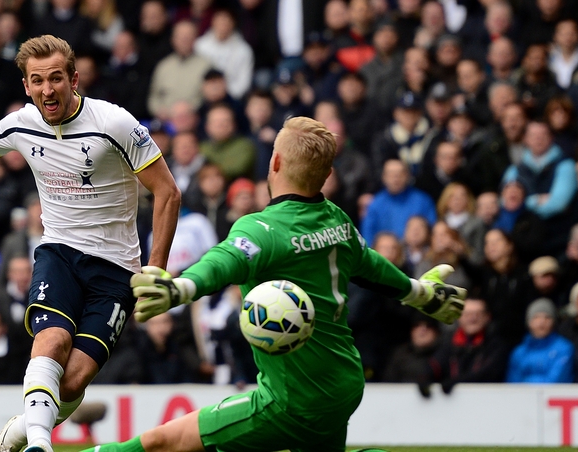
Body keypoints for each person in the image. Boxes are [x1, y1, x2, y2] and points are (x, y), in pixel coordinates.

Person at [82, 117, 467, 452]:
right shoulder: (337, 221)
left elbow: (225, 262)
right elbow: (371, 266)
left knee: (160, 443)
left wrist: (180, 288)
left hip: (289, 399)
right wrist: (421, 294)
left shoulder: (263, 228)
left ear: (276, 162)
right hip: (342, 382)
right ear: (327, 175)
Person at [0, 35, 180, 452]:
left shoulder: (114, 124)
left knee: (73, 379)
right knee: (52, 340)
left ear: (74, 79)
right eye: (37, 81)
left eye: (55, 79)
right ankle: (39, 446)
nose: (47, 89)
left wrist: (153, 272)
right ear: (26, 87)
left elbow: (168, 193)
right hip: (60, 253)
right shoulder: (21, 124)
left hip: (117, 267)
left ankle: (11, 438)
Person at [506, 298, 574, 383]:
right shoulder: (519, 352)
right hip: (522, 396)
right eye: (536, 317)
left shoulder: (564, 348)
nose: (542, 322)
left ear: (553, 322)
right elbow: (512, 384)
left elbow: (556, 381)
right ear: (529, 322)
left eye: (547, 317)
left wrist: (525, 384)